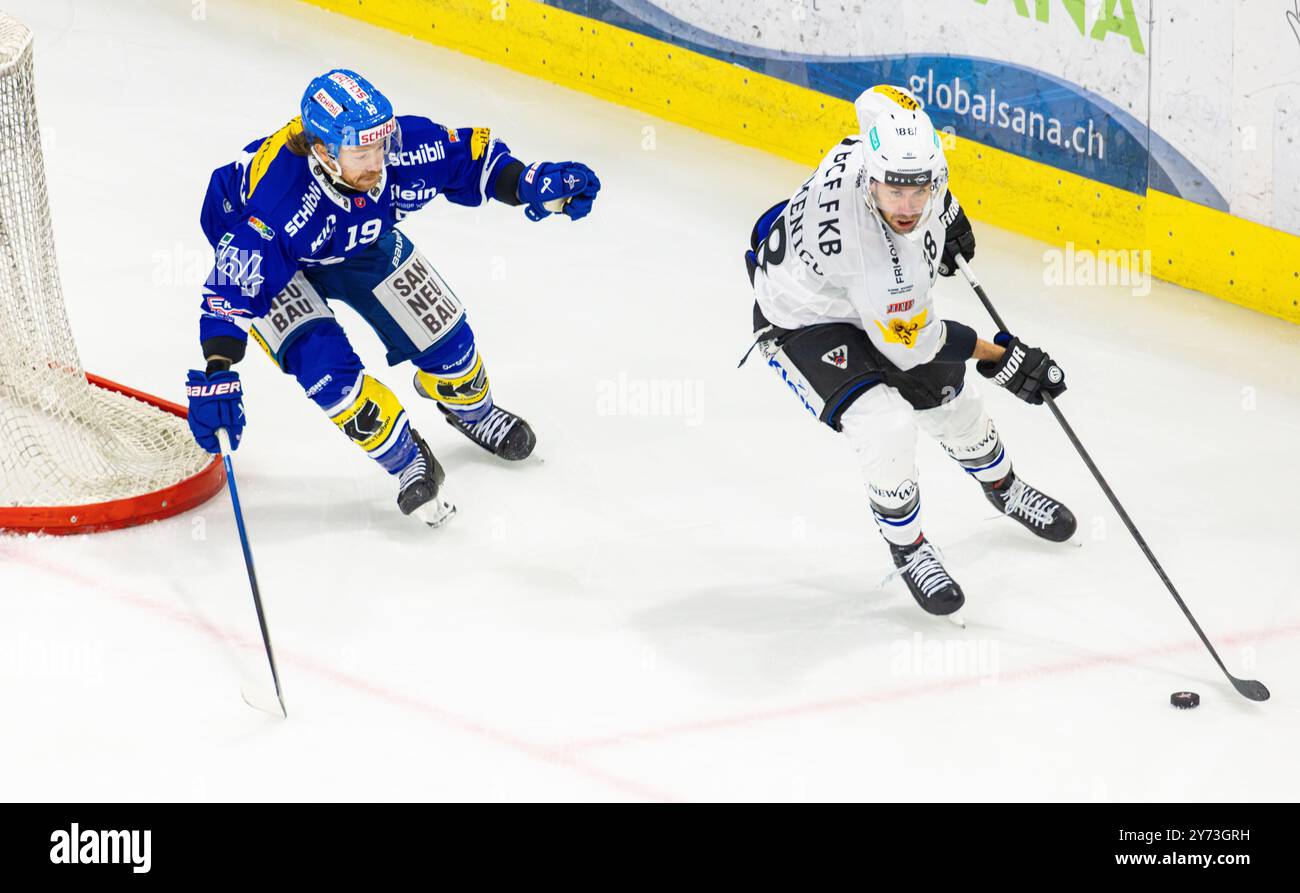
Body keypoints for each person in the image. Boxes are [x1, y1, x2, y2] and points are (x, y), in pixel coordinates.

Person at [185, 69, 600, 526]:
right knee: (326, 370)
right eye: (361, 152)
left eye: (379, 145)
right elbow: (232, 288)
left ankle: (473, 411)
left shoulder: (402, 148)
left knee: (445, 335)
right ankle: (407, 460)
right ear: (323, 151)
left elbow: (473, 162)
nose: (377, 162)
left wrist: (532, 183)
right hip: (277, 261)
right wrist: (217, 373)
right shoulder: (278, 204)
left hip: (353, 239)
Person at [743, 84, 1075, 618]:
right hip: (805, 319)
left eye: (919, 190)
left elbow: (879, 96)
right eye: (893, 192)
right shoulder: (874, 262)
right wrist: (1002, 358)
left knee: (951, 401)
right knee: (887, 423)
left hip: (852, 293)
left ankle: (1005, 489)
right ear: (868, 178)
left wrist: (950, 214)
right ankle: (910, 548)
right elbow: (919, 343)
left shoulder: (880, 140)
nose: (907, 206)